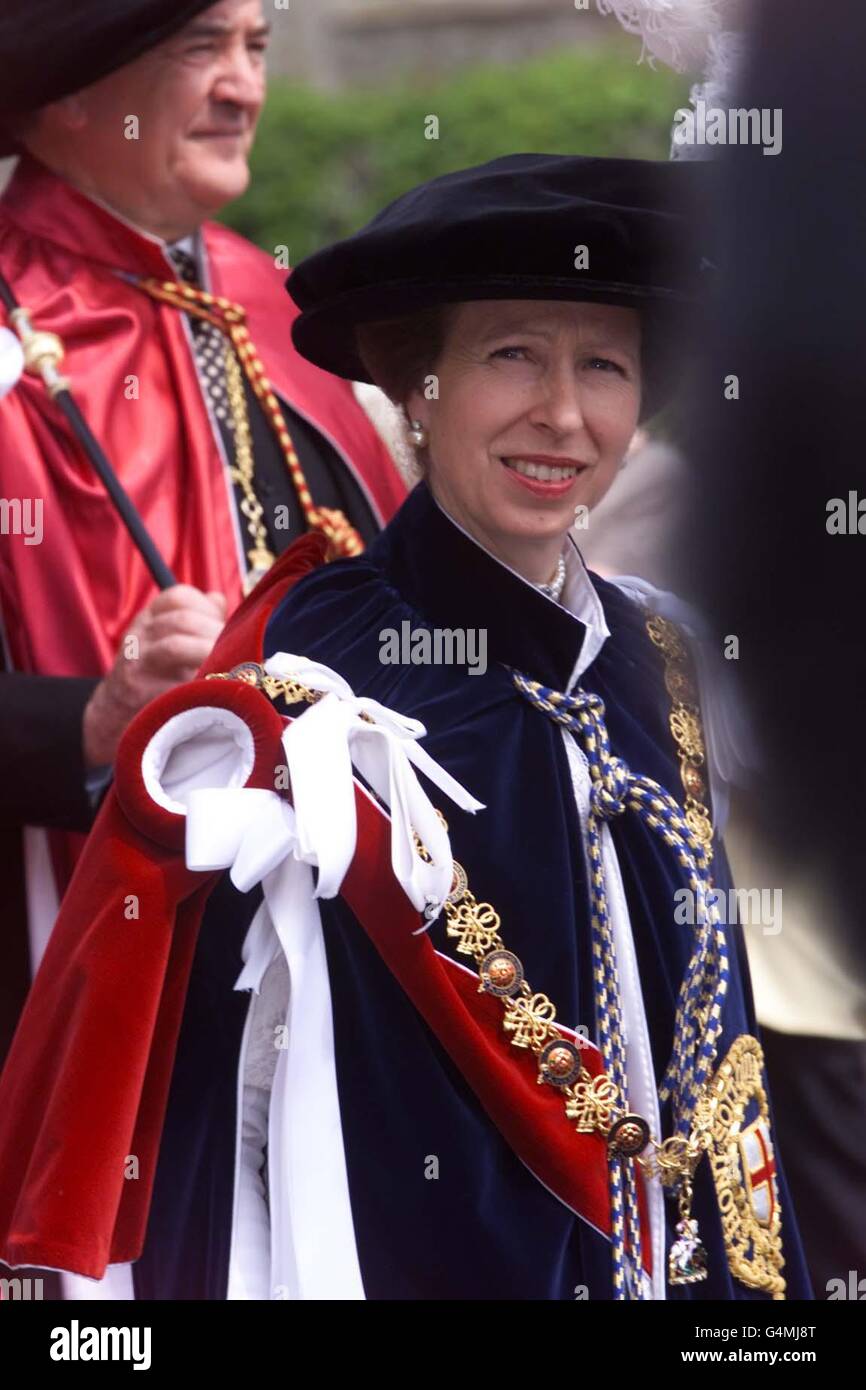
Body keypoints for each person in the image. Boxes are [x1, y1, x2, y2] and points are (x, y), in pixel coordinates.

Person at [0, 154, 811, 1301]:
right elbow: (222, 1120)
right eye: (511, 354)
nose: (562, 414)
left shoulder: (663, 662)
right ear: (416, 389)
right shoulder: (307, 680)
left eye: (604, 365)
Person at [0, 0, 405, 1074]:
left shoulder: (271, 300)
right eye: (201, 47)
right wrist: (86, 723)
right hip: (68, 974)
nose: (244, 87)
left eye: (257, 46)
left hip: (335, 955)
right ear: (65, 91)